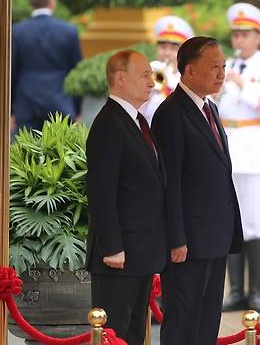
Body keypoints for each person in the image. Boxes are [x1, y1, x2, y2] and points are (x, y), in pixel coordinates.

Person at [152, 36, 244, 343]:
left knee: (207, 320)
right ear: (189, 71)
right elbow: (170, 181)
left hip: (214, 236)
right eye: (214, 66)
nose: (221, 73)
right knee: (183, 321)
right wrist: (176, 238)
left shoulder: (210, 108)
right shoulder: (171, 113)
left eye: (224, 66)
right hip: (188, 242)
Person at [86, 50, 167, 345]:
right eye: (144, 74)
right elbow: (101, 191)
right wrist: (112, 247)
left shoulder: (135, 119)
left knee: (133, 334)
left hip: (140, 251)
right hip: (119, 257)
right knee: (115, 334)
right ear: (120, 78)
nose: (152, 80)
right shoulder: (109, 123)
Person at [218, 3, 260, 313]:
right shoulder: (222, 65)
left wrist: (243, 86)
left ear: (259, 37)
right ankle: (236, 291)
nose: (239, 40)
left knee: (257, 225)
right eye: (236, 34)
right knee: (231, 223)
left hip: (259, 155)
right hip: (229, 154)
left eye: (246, 34)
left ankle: (257, 291)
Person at [12, 0, 82, 132]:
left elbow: (12, 73)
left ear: (31, 1)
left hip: (26, 104)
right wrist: (77, 110)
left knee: (27, 154)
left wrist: (11, 111)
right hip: (61, 103)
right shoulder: (68, 31)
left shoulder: (17, 31)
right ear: (52, 1)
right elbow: (76, 72)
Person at [140, 15, 194, 124]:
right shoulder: (152, 69)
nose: (167, 53)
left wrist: (168, 84)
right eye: (163, 47)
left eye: (173, 48)